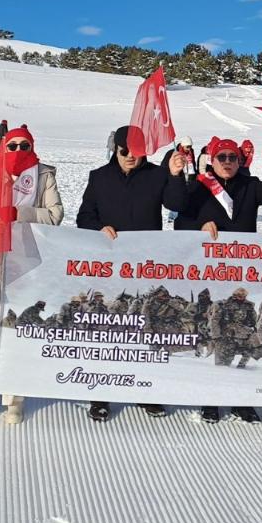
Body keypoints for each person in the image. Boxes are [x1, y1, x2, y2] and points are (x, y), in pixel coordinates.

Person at [165, 135, 262, 423]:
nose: (228, 162)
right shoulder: (199, 187)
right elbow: (178, 218)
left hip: (242, 272)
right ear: (213, 160)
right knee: (216, 341)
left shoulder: (250, 186)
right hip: (211, 274)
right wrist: (198, 223)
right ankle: (210, 399)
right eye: (222, 157)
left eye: (233, 157)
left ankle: (241, 400)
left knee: (241, 342)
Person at [75, 125, 185, 421]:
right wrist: (98, 228)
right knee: (108, 329)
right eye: (124, 151)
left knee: (143, 330)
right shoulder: (99, 177)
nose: (130, 157)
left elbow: (177, 204)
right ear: (116, 149)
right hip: (108, 267)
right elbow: (84, 216)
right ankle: (101, 394)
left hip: (145, 268)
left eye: (137, 153)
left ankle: (143, 390)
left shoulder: (156, 175)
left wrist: (175, 175)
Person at [0, 125, 65, 426]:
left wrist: (19, 214)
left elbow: (55, 214)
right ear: (3, 147)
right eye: (13, 146)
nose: (18, 152)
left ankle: (14, 399)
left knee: (17, 332)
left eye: (25, 146)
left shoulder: (43, 176)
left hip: (26, 265)